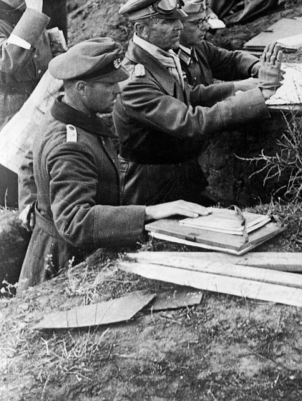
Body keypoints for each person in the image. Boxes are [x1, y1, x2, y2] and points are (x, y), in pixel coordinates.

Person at [18, 37, 209, 291]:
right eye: (109, 84)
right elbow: (75, 221)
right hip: (67, 263)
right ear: (82, 88)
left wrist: (35, 205)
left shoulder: (61, 113)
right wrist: (148, 213)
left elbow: (31, 160)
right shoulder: (71, 145)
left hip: (59, 245)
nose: (118, 90)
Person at [113, 0, 284, 207]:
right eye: (167, 22)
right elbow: (190, 122)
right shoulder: (134, 80)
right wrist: (258, 96)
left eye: (179, 20)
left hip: (183, 173)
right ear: (141, 29)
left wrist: (244, 87)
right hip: (153, 189)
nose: (179, 27)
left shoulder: (162, 54)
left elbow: (190, 95)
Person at [0, 0, 53, 208]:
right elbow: (8, 60)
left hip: (34, 112)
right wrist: (33, 12)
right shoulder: (28, 14)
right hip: (5, 118)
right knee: (8, 194)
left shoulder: (24, 12)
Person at [178, 0, 261, 88]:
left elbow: (232, 61)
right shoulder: (168, 59)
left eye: (205, 20)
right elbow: (193, 95)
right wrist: (237, 87)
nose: (206, 27)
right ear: (177, 25)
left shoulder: (199, 47)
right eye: (197, 23)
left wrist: (257, 67)